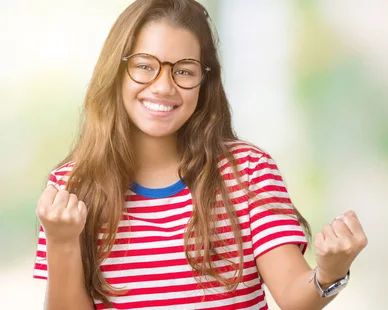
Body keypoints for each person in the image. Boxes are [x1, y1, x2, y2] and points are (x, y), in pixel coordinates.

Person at [32, 0, 368, 309]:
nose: (163, 86)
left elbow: (296, 298)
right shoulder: (70, 186)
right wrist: (61, 242)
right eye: (145, 66)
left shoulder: (248, 171)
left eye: (184, 71)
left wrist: (330, 272)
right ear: (116, 72)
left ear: (204, 83)